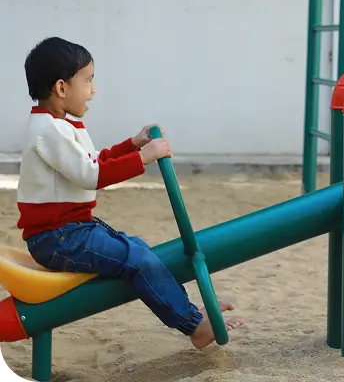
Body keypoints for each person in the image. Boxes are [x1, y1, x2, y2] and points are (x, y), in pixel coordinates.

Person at [17, 36, 246, 347]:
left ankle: (190, 311)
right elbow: (92, 174)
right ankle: (194, 326)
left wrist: (133, 144)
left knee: (138, 249)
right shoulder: (49, 132)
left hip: (71, 230)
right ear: (61, 87)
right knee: (137, 259)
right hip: (57, 238)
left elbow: (95, 161)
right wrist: (145, 157)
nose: (93, 90)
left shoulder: (59, 126)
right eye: (88, 81)